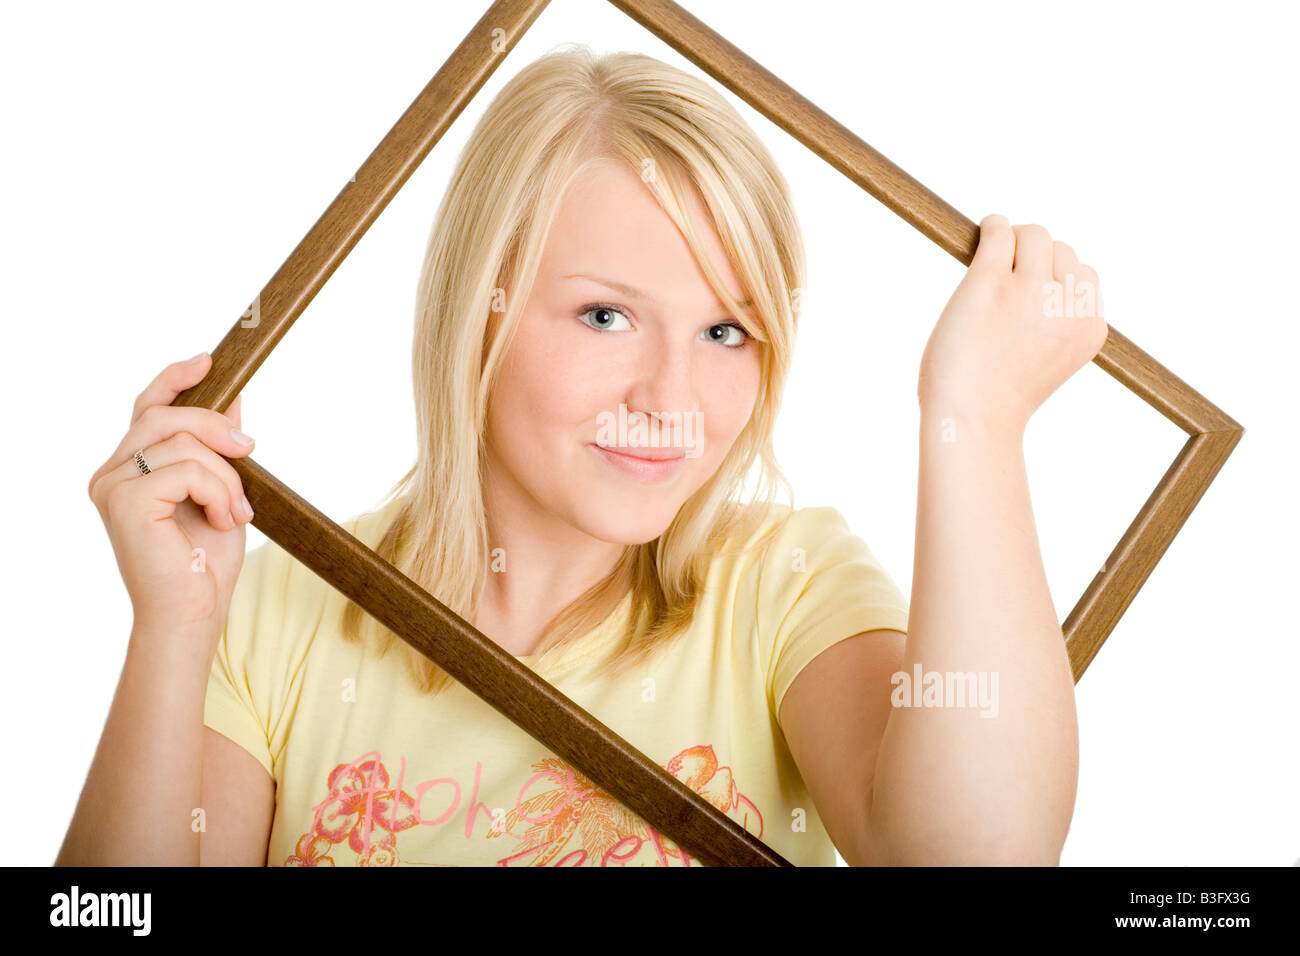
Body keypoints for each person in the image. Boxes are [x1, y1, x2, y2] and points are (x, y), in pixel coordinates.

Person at [58, 44, 1103, 867]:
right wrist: (172, 629)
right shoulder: (280, 619)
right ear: (479, 316)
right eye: (606, 314)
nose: (671, 398)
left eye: (726, 331)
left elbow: (976, 857)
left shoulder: (784, 586)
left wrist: (974, 416)